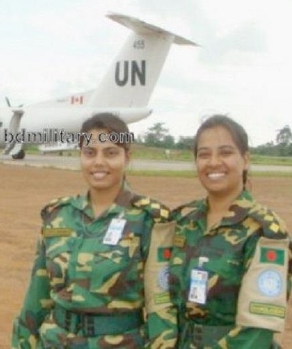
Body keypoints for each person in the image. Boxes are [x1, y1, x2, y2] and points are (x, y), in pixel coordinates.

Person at [11, 112, 177, 348]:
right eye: (90, 153)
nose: (99, 162)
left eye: (110, 153)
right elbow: (37, 295)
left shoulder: (149, 219)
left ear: (127, 157)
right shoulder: (58, 216)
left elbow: (160, 303)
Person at [169, 114, 292, 348]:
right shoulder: (183, 222)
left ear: (245, 160)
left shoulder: (264, 231)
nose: (213, 162)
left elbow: (257, 329)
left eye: (226, 152)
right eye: (204, 154)